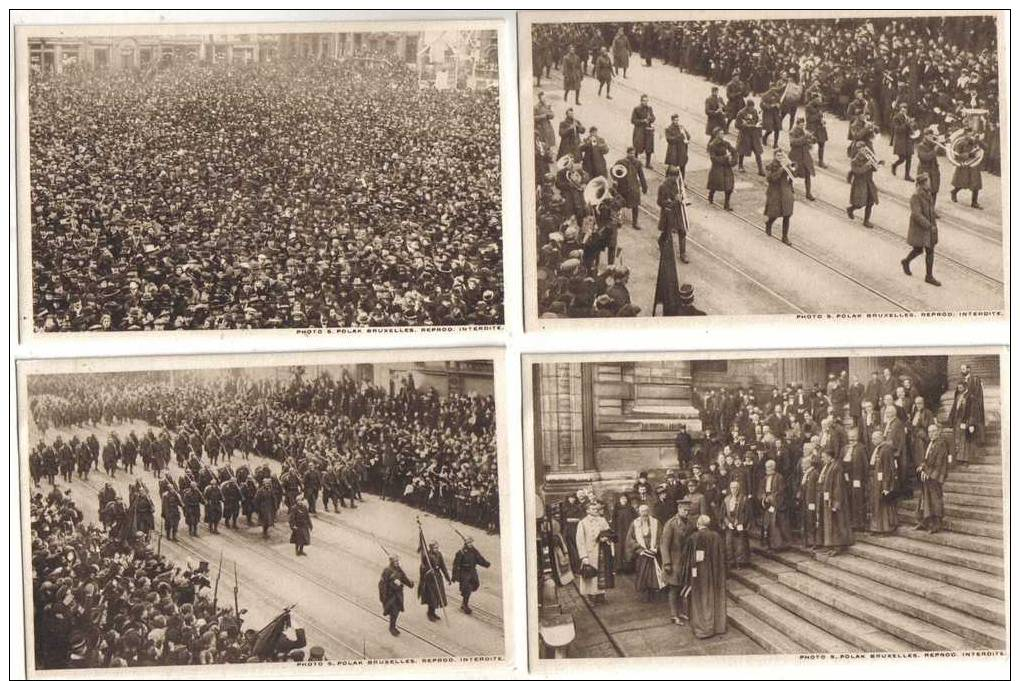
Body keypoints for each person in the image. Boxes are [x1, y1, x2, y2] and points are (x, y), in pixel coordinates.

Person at [686, 514, 727, 639]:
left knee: (701, 600)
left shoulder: (694, 538)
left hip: (700, 574)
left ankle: (704, 629)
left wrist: (692, 574)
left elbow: (691, 559)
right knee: (716, 597)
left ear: (698, 524)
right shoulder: (717, 536)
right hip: (717, 573)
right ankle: (718, 627)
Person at [900, 173, 941, 286]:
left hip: (928, 227)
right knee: (919, 250)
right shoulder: (916, 196)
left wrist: (934, 217)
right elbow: (916, 215)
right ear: (923, 183)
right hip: (920, 228)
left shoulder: (928, 193)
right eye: (928, 181)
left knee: (929, 250)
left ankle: (928, 275)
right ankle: (907, 262)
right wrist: (928, 225)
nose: (930, 183)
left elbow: (929, 209)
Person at [661, 500, 694, 626]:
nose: (687, 513)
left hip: (686, 561)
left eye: (688, 511)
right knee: (674, 588)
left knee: (683, 587)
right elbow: (664, 545)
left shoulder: (690, 523)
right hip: (674, 561)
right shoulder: (671, 524)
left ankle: (681, 612)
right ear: (679, 509)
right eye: (685, 510)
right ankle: (674, 615)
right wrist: (667, 563)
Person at [815, 448, 853, 555]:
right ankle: (830, 545)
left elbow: (838, 486)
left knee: (837, 523)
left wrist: (836, 502)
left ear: (829, 456)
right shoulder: (828, 466)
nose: (822, 459)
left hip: (836, 500)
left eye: (823, 457)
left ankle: (838, 547)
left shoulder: (837, 467)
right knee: (830, 523)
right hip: (828, 499)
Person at [575, 502, 612, 604]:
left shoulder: (602, 520)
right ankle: (591, 597)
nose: (596, 511)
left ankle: (601, 595)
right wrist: (583, 556)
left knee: (602, 573)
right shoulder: (582, 523)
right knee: (591, 575)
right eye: (593, 509)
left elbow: (609, 532)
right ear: (588, 511)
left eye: (596, 509)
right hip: (590, 552)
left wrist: (607, 538)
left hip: (602, 550)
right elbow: (580, 541)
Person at [915, 423, 949, 533]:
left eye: (934, 431)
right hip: (929, 475)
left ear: (938, 432)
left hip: (936, 476)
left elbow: (939, 463)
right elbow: (927, 459)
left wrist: (928, 472)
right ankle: (924, 522)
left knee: (935, 500)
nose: (931, 434)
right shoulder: (931, 443)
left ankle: (936, 525)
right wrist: (922, 466)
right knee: (925, 499)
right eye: (929, 432)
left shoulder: (941, 444)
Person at [625, 504, 662, 601]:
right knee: (642, 574)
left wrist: (656, 547)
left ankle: (653, 593)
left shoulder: (655, 522)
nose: (644, 513)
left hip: (653, 552)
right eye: (642, 511)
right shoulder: (634, 523)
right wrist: (639, 550)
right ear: (639, 512)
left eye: (646, 511)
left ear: (649, 511)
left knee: (653, 575)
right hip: (641, 553)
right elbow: (630, 539)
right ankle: (644, 594)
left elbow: (660, 537)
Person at [868, 430, 898, 534]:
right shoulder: (878, 449)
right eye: (872, 438)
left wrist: (886, 486)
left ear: (881, 437)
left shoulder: (886, 449)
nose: (873, 440)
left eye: (875, 438)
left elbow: (888, 469)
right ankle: (878, 527)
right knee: (877, 505)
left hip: (884, 482)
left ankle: (886, 528)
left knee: (884, 505)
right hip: (877, 481)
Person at [758, 459, 791, 551]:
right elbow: (761, 490)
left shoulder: (779, 477)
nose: (767, 469)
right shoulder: (765, 478)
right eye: (766, 467)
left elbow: (781, 491)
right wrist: (764, 497)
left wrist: (771, 498)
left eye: (769, 467)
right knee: (767, 524)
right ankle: (769, 544)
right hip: (767, 504)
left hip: (776, 504)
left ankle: (778, 546)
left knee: (775, 525)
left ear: (773, 467)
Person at [451, 536, 490, 615]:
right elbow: (456, 565)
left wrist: (486, 564)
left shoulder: (474, 551)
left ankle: (465, 597)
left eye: (471, 542)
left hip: (472, 572)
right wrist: (454, 576)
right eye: (469, 543)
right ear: (465, 543)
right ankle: (465, 605)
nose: (470, 544)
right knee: (467, 589)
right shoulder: (461, 553)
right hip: (464, 573)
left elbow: (479, 558)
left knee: (476, 585)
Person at [764, 149, 795, 244]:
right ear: (774, 156)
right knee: (775, 213)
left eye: (781, 156)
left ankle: (784, 237)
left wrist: (791, 167)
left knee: (787, 214)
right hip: (775, 192)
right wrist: (782, 169)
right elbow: (770, 178)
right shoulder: (770, 166)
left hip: (786, 192)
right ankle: (769, 223)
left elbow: (793, 175)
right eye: (778, 156)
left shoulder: (785, 164)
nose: (780, 157)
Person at [613, 146, 648, 230]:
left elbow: (641, 176)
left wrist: (644, 187)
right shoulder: (620, 162)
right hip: (623, 186)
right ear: (627, 153)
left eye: (633, 153)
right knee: (619, 204)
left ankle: (635, 222)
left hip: (633, 187)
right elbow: (614, 171)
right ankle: (619, 220)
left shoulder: (638, 163)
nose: (632, 155)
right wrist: (615, 181)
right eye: (630, 153)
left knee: (635, 205)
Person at [949, 130, 985, 209]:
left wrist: (979, 141)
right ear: (965, 135)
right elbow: (956, 155)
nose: (971, 136)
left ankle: (974, 202)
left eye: (971, 134)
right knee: (962, 183)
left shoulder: (976, 141)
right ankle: (954, 192)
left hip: (974, 165)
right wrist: (968, 154)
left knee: (976, 184)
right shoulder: (960, 143)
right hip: (964, 166)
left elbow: (985, 148)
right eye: (969, 134)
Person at [379, 555, 414, 636]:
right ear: (391, 562)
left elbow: (404, 578)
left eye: (398, 561)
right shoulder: (387, 571)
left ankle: (393, 626)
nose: (397, 563)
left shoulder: (399, 569)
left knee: (397, 611)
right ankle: (392, 627)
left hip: (398, 595)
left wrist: (410, 584)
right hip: (391, 596)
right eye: (395, 561)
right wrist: (392, 585)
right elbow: (383, 584)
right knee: (393, 611)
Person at [846, 140, 879, 228]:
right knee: (859, 204)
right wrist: (867, 165)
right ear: (858, 150)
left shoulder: (868, 158)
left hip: (869, 182)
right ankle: (850, 209)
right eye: (861, 149)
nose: (864, 150)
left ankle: (866, 221)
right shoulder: (854, 161)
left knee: (870, 202)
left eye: (864, 148)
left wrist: (876, 163)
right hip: (859, 184)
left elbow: (875, 169)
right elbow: (857, 171)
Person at [841, 429, 868, 532]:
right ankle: (851, 522)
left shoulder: (861, 448)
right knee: (849, 500)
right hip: (847, 479)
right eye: (850, 436)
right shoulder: (844, 449)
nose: (851, 439)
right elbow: (841, 463)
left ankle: (860, 523)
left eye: (853, 436)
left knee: (858, 500)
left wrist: (864, 480)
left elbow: (865, 465)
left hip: (858, 479)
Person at [418, 540, 452, 622]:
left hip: (437, 577)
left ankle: (433, 613)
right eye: (435, 548)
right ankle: (429, 613)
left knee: (437, 596)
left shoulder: (439, 554)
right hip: (430, 579)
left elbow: (443, 566)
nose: (437, 549)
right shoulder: (427, 556)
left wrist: (448, 578)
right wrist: (429, 571)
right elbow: (422, 568)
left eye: (437, 547)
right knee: (431, 597)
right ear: (431, 548)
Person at [722, 480, 750, 568]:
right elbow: (723, 514)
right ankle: (731, 562)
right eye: (732, 488)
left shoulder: (744, 499)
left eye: (735, 488)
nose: (734, 490)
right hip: (729, 525)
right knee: (729, 543)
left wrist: (742, 523)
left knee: (740, 545)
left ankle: (740, 562)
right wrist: (727, 523)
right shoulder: (726, 499)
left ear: (739, 488)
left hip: (740, 525)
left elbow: (748, 513)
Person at [787, 118, 817, 201]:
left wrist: (812, 139)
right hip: (795, 156)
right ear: (797, 124)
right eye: (801, 125)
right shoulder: (792, 132)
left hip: (805, 156)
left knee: (808, 174)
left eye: (803, 125)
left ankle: (808, 193)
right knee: (792, 173)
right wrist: (804, 138)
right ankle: (789, 185)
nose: (802, 127)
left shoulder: (804, 132)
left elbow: (810, 141)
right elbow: (793, 143)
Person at [706, 129, 736, 210]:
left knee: (729, 187)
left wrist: (733, 159)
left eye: (723, 133)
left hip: (726, 168)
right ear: (716, 135)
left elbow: (733, 151)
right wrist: (725, 157)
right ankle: (711, 195)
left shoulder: (725, 143)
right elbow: (713, 159)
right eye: (721, 134)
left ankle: (726, 205)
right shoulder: (712, 145)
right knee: (715, 185)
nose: (723, 135)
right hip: (717, 169)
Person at [735, 99, 765, 175]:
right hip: (745, 135)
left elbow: (756, 120)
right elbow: (737, 125)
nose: (752, 108)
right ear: (747, 106)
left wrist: (759, 123)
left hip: (754, 135)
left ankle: (760, 169)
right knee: (742, 151)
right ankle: (740, 165)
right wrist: (745, 125)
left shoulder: (754, 111)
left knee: (758, 152)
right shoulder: (741, 113)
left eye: (753, 107)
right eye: (750, 107)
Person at [890, 103, 916, 181]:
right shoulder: (896, 118)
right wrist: (906, 124)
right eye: (902, 109)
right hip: (900, 140)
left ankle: (907, 176)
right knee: (902, 158)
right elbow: (897, 130)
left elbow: (910, 128)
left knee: (909, 158)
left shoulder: (907, 117)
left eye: (905, 109)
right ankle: (894, 165)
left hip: (908, 140)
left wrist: (913, 127)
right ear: (900, 110)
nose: (904, 111)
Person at [916, 128, 942, 204]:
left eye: (932, 136)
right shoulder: (921, 146)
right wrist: (935, 150)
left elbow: (940, 153)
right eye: (930, 136)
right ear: (925, 136)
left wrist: (939, 143)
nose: (931, 138)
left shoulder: (933, 144)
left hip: (934, 171)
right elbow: (925, 158)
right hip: (925, 171)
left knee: (934, 191)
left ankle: (932, 210)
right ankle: (925, 210)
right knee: (925, 191)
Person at [631, 94, 656, 168]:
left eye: (647, 101)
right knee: (637, 146)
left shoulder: (649, 108)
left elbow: (653, 117)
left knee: (649, 147)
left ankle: (648, 163)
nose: (645, 102)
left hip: (648, 130)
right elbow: (633, 120)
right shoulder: (636, 109)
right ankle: (635, 161)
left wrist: (650, 119)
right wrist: (642, 121)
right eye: (644, 101)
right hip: (639, 130)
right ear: (641, 101)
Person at [804, 92, 828, 168]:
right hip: (812, 128)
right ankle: (805, 160)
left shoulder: (819, 106)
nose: (820, 100)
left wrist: (823, 120)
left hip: (820, 128)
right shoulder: (808, 107)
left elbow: (822, 116)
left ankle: (821, 161)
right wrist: (818, 115)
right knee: (809, 145)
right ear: (813, 99)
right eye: (818, 99)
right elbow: (809, 119)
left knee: (822, 144)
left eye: (820, 98)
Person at [664, 114, 690, 179]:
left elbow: (688, 136)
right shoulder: (668, 129)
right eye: (675, 120)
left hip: (681, 150)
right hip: (673, 150)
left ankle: (682, 181)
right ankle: (668, 179)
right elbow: (669, 139)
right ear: (672, 120)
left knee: (682, 166)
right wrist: (680, 136)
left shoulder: (681, 127)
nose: (677, 122)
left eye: (677, 120)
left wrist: (686, 135)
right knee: (672, 166)